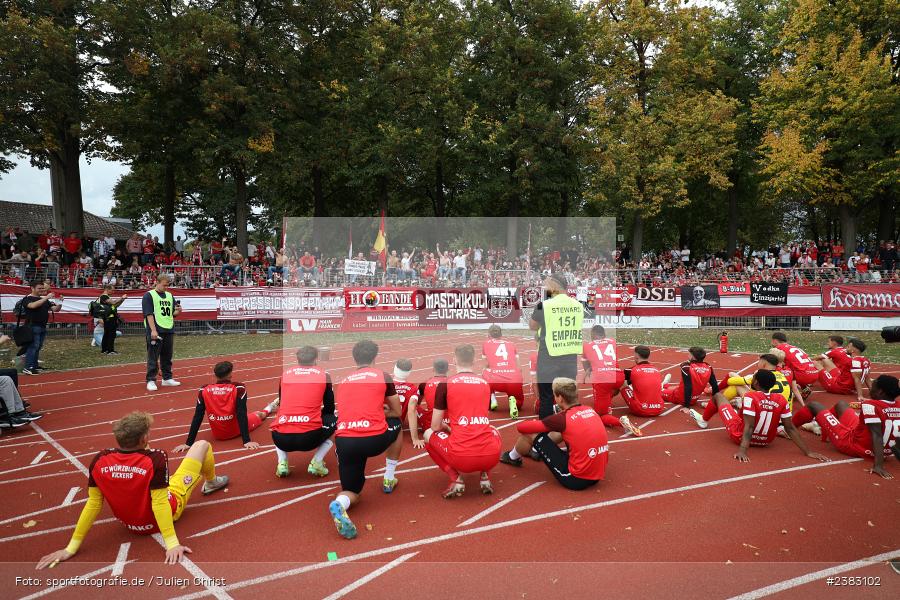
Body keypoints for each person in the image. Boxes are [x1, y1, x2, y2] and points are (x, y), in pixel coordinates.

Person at [36, 411, 229, 569]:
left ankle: (187, 482)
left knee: (154, 480)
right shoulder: (156, 459)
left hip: (130, 523)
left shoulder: (100, 460)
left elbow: (93, 504)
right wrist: (172, 544)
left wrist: (70, 548)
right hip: (164, 511)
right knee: (202, 445)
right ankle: (211, 482)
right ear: (144, 438)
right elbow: (160, 502)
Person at [328, 340, 403, 540]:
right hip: (373, 439)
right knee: (397, 424)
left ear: (354, 359)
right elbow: (397, 411)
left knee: (352, 491)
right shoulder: (382, 376)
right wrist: (383, 412)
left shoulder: (343, 382)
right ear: (375, 357)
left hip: (345, 440)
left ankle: (340, 504)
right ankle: (389, 478)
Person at [688, 370, 829, 464]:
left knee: (718, 396)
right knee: (743, 415)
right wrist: (808, 451)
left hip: (739, 435)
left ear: (755, 383)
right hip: (767, 441)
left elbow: (749, 426)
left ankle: (703, 420)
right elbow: (790, 428)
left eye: (754, 378)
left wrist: (742, 450)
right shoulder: (781, 399)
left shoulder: (750, 396)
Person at [500, 377, 608, 490]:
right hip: (597, 476)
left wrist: (539, 423)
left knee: (531, 435)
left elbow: (521, 427)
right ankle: (535, 450)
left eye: (554, 396)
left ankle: (512, 457)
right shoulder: (590, 410)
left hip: (575, 479)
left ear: (560, 398)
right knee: (565, 431)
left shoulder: (562, 419)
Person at [423, 344, 501, 498]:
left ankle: (456, 478)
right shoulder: (485, 383)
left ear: (454, 360)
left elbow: (435, 426)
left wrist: (448, 428)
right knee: (493, 429)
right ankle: (485, 476)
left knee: (427, 434)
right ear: (474, 361)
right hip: (491, 456)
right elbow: (480, 417)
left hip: (461, 458)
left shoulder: (445, 384)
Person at [803, 375, 900, 479]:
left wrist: (878, 466)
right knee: (841, 404)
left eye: (873, 386)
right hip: (871, 442)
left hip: (853, 445)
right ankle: (820, 426)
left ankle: (790, 428)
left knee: (814, 405)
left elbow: (877, 435)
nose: (870, 388)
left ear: (880, 392)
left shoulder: (870, 405)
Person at [173, 361, 277, 453]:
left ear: (215, 375)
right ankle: (269, 408)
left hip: (217, 434)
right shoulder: (239, 388)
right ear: (230, 375)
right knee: (259, 414)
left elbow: (198, 416)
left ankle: (270, 407)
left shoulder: (204, 390)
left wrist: (188, 443)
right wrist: (246, 441)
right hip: (234, 430)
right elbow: (241, 413)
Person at [270, 346, 336, 478]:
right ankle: (317, 462)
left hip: (280, 438)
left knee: (280, 419)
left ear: (297, 359)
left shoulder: (285, 374)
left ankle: (282, 463)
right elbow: (329, 407)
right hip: (309, 438)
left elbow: (282, 401)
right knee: (334, 419)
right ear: (316, 359)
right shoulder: (324, 375)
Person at [530, 273, 583, 419]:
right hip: (570, 355)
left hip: (549, 356)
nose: (546, 287)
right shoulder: (578, 305)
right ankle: (571, 425)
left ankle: (547, 428)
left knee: (546, 396)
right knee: (569, 396)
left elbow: (533, 326)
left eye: (548, 284)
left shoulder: (544, 305)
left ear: (554, 285)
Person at [581, 325, 641, 436]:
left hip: (603, 380)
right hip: (618, 377)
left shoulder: (587, 345)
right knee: (611, 386)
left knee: (601, 415)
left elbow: (585, 364)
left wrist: (590, 370)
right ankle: (607, 402)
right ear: (604, 334)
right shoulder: (612, 342)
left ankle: (620, 422)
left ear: (592, 335)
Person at [143, 273, 181, 391]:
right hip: (156, 329)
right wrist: (153, 330)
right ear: (157, 282)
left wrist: (178, 311)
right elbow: (149, 314)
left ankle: (167, 378)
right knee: (153, 356)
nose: (166, 287)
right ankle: (151, 380)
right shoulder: (149, 295)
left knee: (167, 355)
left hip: (168, 328)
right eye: (164, 285)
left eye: (168, 285)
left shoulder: (169, 295)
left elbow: (172, 313)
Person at [481, 324, 524, 419]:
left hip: (495, 380)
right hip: (513, 380)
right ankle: (513, 400)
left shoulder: (486, 344)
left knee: (484, 372)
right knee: (519, 403)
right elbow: (519, 367)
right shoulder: (511, 344)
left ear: (489, 335)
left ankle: (492, 397)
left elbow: (486, 364)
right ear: (501, 334)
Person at [22, 280, 62, 375]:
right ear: (32, 288)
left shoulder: (44, 299)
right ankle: (28, 367)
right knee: (33, 346)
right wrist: (46, 297)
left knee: (38, 347)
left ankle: (34, 366)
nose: (42, 290)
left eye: (42, 288)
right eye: (39, 288)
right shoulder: (27, 298)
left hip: (42, 326)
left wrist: (60, 302)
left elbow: (55, 309)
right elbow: (32, 306)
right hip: (32, 326)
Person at [408, 359, 449, 449]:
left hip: (431, 424)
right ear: (448, 369)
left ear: (433, 369)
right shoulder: (454, 383)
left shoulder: (424, 384)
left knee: (412, 404)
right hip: (451, 422)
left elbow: (417, 403)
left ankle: (415, 437)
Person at [619, 345, 666, 418]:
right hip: (659, 409)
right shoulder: (656, 370)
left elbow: (620, 382)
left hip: (641, 409)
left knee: (621, 383)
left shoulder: (630, 370)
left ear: (636, 356)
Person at [98, 284, 126, 355]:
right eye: (112, 290)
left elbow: (115, 306)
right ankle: (110, 351)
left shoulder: (106, 297)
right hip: (109, 318)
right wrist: (121, 297)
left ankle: (104, 350)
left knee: (107, 334)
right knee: (111, 334)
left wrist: (122, 300)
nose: (113, 292)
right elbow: (114, 302)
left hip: (109, 318)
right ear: (107, 289)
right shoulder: (104, 296)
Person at [392, 359, 419, 423]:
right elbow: (412, 410)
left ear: (395, 369)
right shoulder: (413, 388)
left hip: (382, 423)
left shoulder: (385, 385)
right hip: (399, 424)